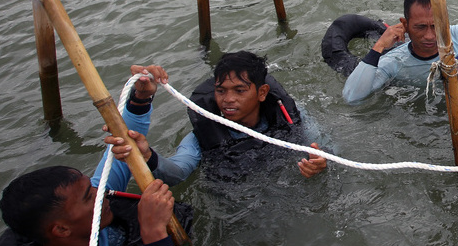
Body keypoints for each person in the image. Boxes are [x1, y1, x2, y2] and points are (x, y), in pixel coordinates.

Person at [0, 70, 194, 246]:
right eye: (90, 196)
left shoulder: (90, 208)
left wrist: (141, 97)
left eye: (93, 187)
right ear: (61, 229)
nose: (103, 193)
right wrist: (153, 232)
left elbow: (124, 145)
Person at [109, 56, 327, 184]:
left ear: (262, 93)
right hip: (234, 202)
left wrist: (319, 164)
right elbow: (179, 171)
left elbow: (323, 148)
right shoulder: (199, 137)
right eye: (221, 91)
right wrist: (147, 155)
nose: (228, 100)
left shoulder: (290, 116)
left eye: (239, 90)